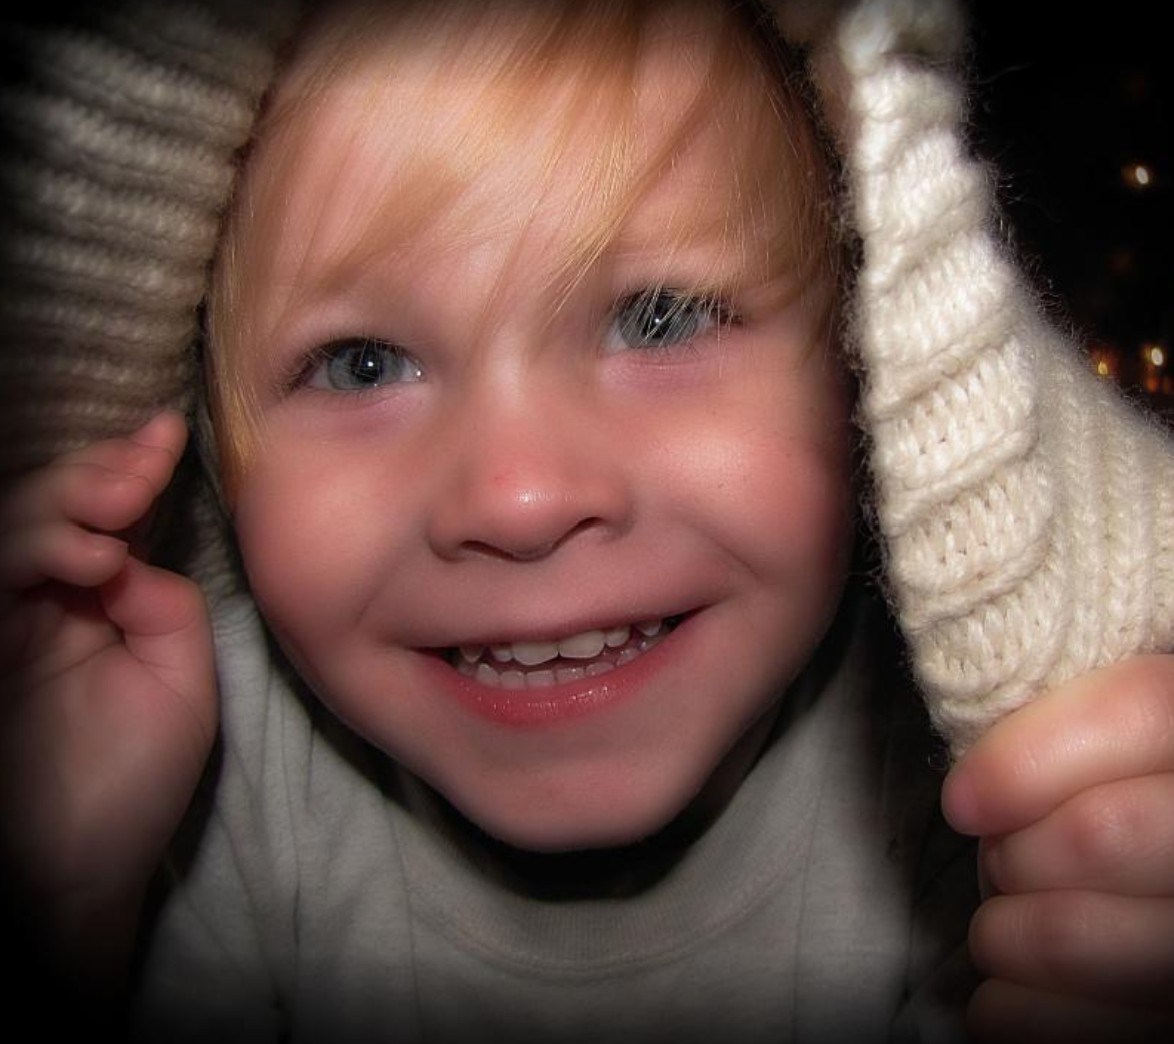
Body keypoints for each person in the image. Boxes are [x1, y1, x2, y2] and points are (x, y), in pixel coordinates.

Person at [0, 0, 1171, 1041]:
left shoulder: (971, 801)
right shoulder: (183, 788)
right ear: (211, 455)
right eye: (362, 363)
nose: (520, 498)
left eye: (659, 318)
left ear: (867, 374)